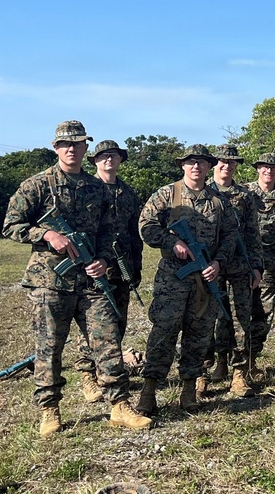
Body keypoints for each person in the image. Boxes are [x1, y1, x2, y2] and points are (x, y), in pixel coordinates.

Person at [2, 120, 151, 436]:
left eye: (78, 143)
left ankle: (120, 405)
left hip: (91, 282)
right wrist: (46, 234)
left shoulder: (97, 187)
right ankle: (49, 409)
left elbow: (112, 231)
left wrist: (103, 259)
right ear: (56, 148)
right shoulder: (37, 185)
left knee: (108, 340)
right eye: (65, 144)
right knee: (49, 347)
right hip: (49, 282)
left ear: (86, 148)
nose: (72, 149)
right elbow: (10, 225)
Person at [135, 144, 237, 415]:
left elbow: (229, 237)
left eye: (202, 162)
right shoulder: (168, 194)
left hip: (204, 280)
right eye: (191, 162)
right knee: (164, 331)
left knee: (200, 333)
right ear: (183, 165)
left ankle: (189, 389)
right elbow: (145, 224)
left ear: (209, 166)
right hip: (173, 277)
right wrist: (171, 241)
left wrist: (218, 262)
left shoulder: (219, 201)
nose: (196, 167)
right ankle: (149, 391)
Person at [75, 140, 144, 404]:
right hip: (92, 266)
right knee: (93, 327)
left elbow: (133, 233)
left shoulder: (128, 193)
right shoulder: (87, 189)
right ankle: (88, 375)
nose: (109, 160)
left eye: (113, 156)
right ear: (95, 161)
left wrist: (135, 266)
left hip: (121, 266)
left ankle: (109, 372)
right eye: (103, 156)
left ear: (120, 160)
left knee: (118, 322)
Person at [205, 144, 264, 398]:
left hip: (239, 266)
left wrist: (257, 266)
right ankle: (210, 368)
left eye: (231, 162)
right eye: (221, 161)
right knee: (210, 317)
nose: (226, 166)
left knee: (242, 319)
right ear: (214, 164)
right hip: (210, 266)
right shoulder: (202, 192)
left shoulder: (245, 196)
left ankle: (239, 373)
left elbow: (253, 234)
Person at [245, 153, 275, 380]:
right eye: (264, 167)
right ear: (258, 169)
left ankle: (251, 359)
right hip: (242, 261)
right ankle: (225, 362)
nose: (269, 171)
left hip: (269, 264)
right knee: (236, 313)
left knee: (264, 313)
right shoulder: (244, 193)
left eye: (273, 168)